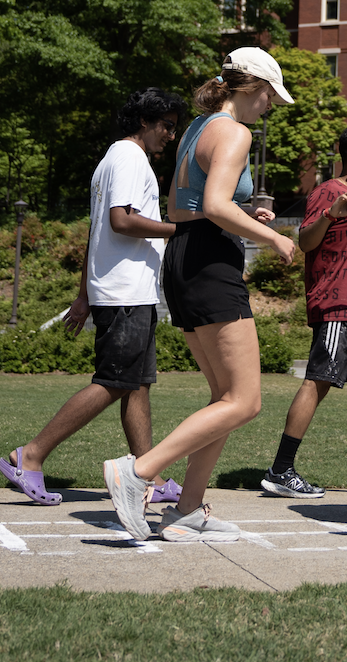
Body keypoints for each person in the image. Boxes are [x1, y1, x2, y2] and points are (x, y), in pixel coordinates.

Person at [101, 47, 296, 542]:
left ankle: (186, 508)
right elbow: (214, 204)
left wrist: (244, 218)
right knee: (246, 400)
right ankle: (139, 472)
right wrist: (271, 237)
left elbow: (188, 205)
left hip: (185, 256)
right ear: (254, 87)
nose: (271, 107)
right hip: (209, 261)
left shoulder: (196, 127)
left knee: (224, 398)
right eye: (271, 96)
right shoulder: (235, 131)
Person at [0, 88, 187, 506]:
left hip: (123, 291)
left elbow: (96, 232)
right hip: (125, 293)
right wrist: (180, 229)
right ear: (145, 121)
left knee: (136, 385)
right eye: (167, 126)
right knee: (113, 383)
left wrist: (82, 295)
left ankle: (147, 477)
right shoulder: (128, 157)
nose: (171, 136)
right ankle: (29, 455)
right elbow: (121, 222)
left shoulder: (110, 160)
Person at [260, 124, 347, 499]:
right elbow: (304, 240)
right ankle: (281, 470)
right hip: (335, 307)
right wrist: (331, 213)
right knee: (316, 383)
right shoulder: (329, 192)